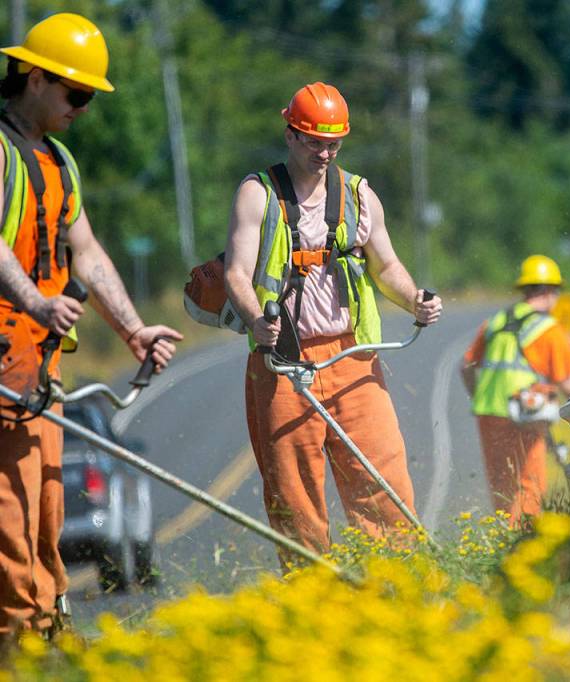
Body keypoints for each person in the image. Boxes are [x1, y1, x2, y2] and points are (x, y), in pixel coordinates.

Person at [0, 13, 181, 638]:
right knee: (11, 537)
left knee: (46, 527)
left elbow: (89, 253)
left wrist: (134, 331)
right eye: (76, 94)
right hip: (2, 379)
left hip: (38, 376)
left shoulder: (59, 162)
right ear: (33, 76)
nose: (83, 108)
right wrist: (36, 301)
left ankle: (46, 640)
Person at [224, 82, 441, 561]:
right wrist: (257, 320)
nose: (325, 152)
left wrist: (415, 301)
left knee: (381, 479)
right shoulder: (258, 194)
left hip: (352, 359)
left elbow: (387, 268)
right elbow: (236, 273)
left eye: (333, 143)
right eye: (314, 141)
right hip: (281, 365)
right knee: (294, 497)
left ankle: (397, 585)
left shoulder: (360, 196)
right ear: (291, 135)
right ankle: (312, 593)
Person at [461, 255, 570, 523]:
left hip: (489, 411)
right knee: (529, 480)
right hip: (527, 411)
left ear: (525, 290)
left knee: (502, 482)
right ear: (551, 291)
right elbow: (567, 383)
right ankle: (526, 538)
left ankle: (506, 535)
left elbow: (466, 366)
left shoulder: (495, 322)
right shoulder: (550, 330)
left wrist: (480, 396)